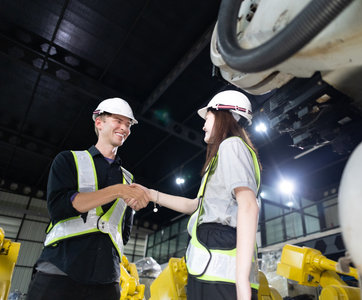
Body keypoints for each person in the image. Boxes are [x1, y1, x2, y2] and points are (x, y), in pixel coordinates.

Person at [131, 90, 261, 300]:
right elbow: (195, 206)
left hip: (222, 275)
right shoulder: (222, 155)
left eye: (207, 118)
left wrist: (242, 280)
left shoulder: (232, 145)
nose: (203, 125)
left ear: (222, 115)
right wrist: (151, 194)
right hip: (210, 269)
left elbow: (249, 206)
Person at [26, 97, 149, 300]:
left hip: (106, 281)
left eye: (128, 124)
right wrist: (117, 190)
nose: (124, 128)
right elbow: (59, 208)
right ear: (99, 122)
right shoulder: (69, 160)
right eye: (118, 121)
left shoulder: (129, 179)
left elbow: (123, 232)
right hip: (60, 270)